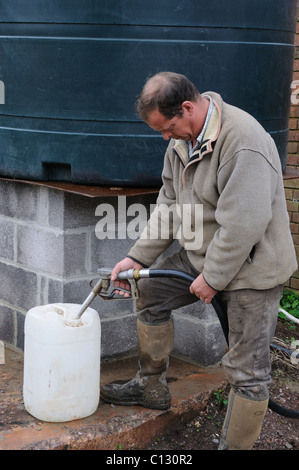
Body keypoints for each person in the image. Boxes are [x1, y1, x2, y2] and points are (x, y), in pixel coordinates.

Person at [100, 72, 297, 450]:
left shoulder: (243, 141)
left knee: (247, 372)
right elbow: (170, 207)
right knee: (150, 291)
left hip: (252, 267)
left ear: (188, 107)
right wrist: (135, 257)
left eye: (168, 127)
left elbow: (244, 224)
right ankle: (151, 385)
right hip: (203, 254)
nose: (165, 137)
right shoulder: (180, 143)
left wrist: (213, 277)